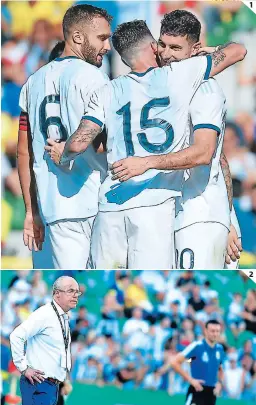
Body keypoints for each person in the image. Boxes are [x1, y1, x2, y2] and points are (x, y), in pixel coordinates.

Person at [46, 20, 246, 269]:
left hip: (110, 205)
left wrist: (61, 153)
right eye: (163, 45)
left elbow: (79, 143)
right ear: (153, 47)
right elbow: (238, 50)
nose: (167, 53)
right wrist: (211, 51)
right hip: (154, 206)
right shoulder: (181, 75)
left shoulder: (107, 90)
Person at [111, 10, 244, 269]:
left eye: (176, 47)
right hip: (176, 214)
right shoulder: (165, 86)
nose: (167, 54)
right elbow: (222, 161)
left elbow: (205, 153)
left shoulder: (204, 89)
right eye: (162, 44)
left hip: (197, 217)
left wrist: (226, 219)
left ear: (194, 49)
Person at [17, 4, 112, 269]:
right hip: (91, 204)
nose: (108, 47)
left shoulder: (32, 83)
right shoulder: (95, 78)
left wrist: (30, 210)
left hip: (51, 209)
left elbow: (24, 153)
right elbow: (104, 144)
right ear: (78, 37)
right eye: (102, 38)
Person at [9, 276, 81, 405]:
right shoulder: (45, 314)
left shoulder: (63, 317)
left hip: (52, 385)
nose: (75, 295)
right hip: (39, 383)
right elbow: (16, 335)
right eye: (71, 291)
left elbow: (58, 352)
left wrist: (64, 379)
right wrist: (24, 368)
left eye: (77, 292)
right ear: (57, 293)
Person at [170, 320, 225, 405]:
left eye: (217, 331)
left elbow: (220, 368)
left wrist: (220, 383)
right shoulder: (197, 346)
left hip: (211, 393)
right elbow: (174, 362)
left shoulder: (219, 349)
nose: (215, 334)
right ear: (205, 331)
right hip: (197, 390)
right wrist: (190, 380)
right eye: (212, 331)